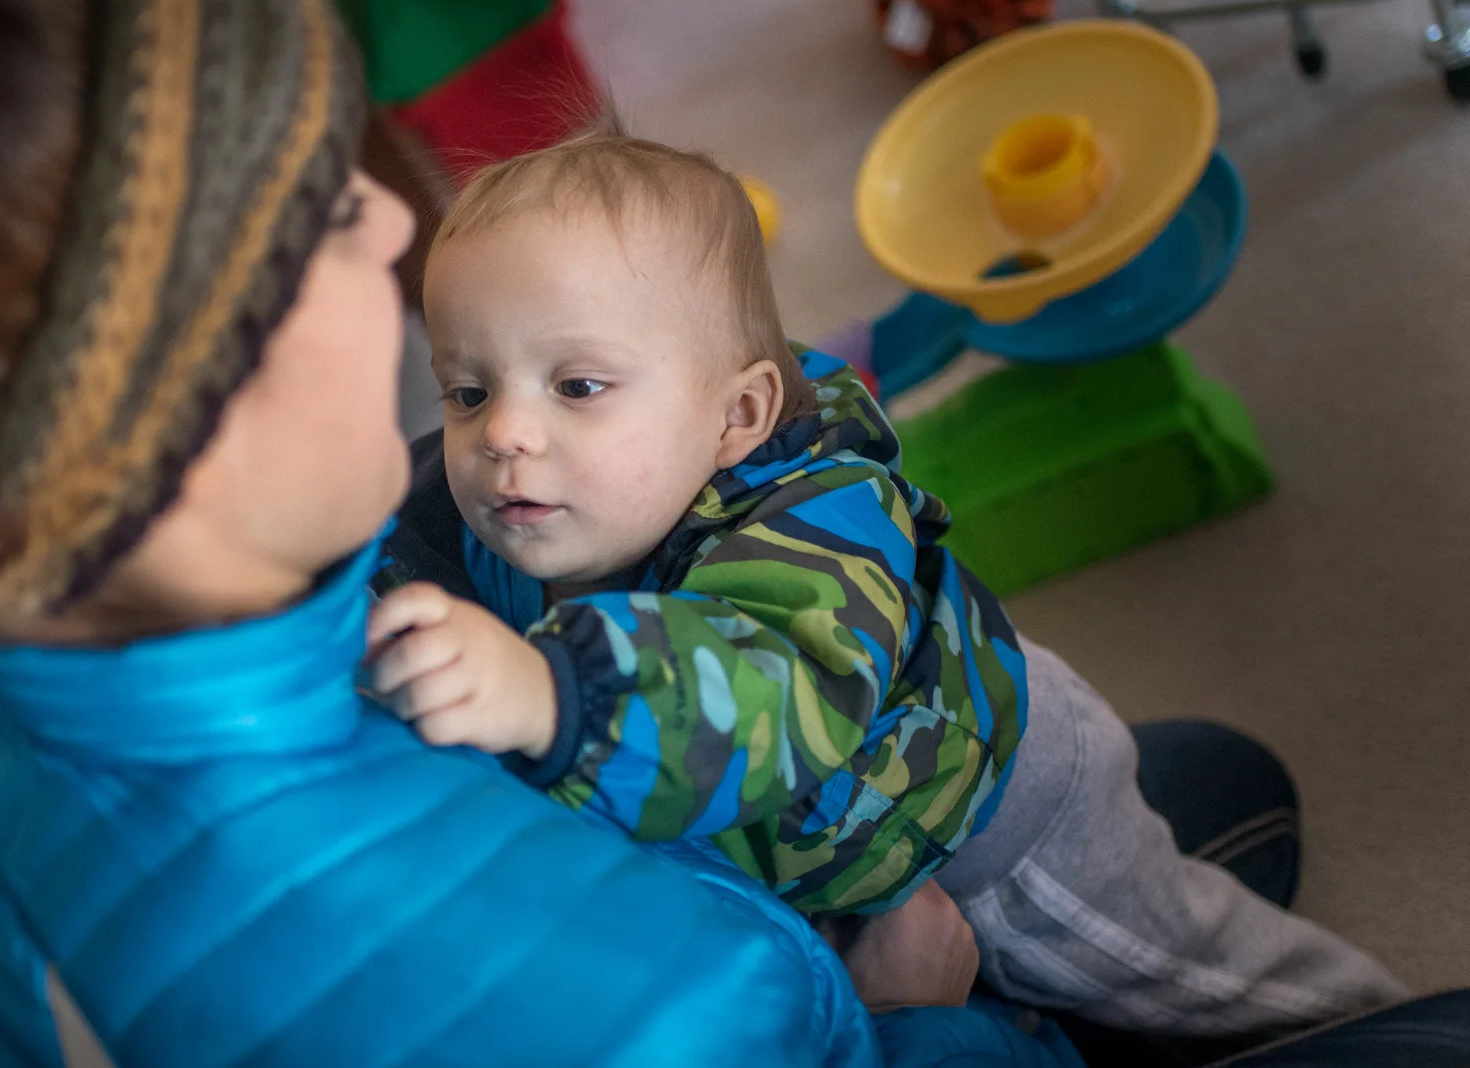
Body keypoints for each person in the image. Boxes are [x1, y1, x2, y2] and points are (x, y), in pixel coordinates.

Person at [0, 1, 1081, 1065]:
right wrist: (918, 1027)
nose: (389, 224)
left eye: (578, 385)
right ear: (179, 381)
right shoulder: (680, 1009)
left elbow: (777, 666)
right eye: (319, 209)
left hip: (961, 787)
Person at [365, 124, 1408, 1034]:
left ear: (737, 416)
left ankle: (1374, 1023)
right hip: (839, 849)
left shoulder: (816, 520)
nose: (502, 433)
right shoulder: (531, 508)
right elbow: (395, 531)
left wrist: (553, 695)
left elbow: (770, 692)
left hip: (990, 826)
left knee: (1192, 976)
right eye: (467, 390)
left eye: (579, 385)